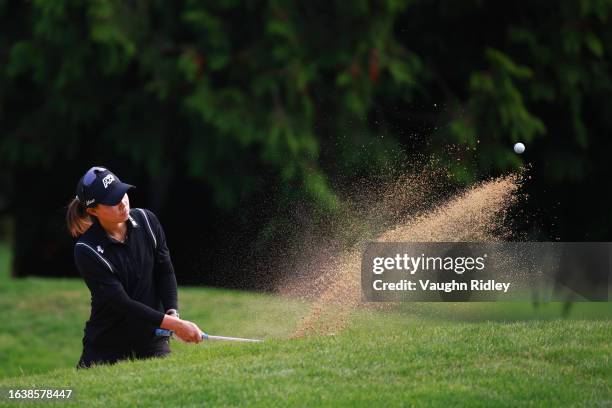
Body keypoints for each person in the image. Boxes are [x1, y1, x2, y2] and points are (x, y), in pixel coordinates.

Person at [66, 166, 203, 369]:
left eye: (122, 193)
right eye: (112, 200)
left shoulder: (147, 221)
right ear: (92, 210)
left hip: (152, 341)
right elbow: (122, 303)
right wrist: (176, 326)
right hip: (107, 348)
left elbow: (164, 271)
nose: (122, 203)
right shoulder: (86, 250)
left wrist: (173, 313)